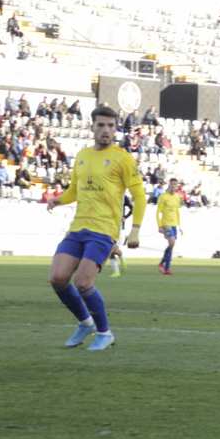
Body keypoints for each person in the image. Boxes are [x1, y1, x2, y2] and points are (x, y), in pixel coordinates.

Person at [46, 106, 146, 350]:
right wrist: (60, 198)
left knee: (82, 282)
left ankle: (105, 333)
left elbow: (139, 196)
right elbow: (75, 190)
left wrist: (135, 230)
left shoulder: (123, 158)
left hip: (104, 229)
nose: (106, 130)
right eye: (101, 125)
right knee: (57, 278)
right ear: (92, 127)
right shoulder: (82, 155)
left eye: (111, 126)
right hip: (78, 227)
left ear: (116, 128)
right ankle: (85, 322)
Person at [156, 178, 183, 275]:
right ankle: (163, 264)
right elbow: (158, 212)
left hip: (174, 224)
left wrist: (179, 226)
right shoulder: (163, 197)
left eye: (175, 184)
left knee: (171, 246)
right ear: (169, 185)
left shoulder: (178, 197)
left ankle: (166, 268)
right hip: (166, 223)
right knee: (172, 243)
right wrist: (159, 226)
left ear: (177, 186)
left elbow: (177, 212)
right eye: (171, 184)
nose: (173, 186)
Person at [108, 194, 133, 278]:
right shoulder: (109, 193)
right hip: (108, 225)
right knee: (109, 250)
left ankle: (122, 259)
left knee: (114, 250)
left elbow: (132, 209)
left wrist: (125, 217)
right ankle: (116, 271)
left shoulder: (124, 197)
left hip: (119, 226)